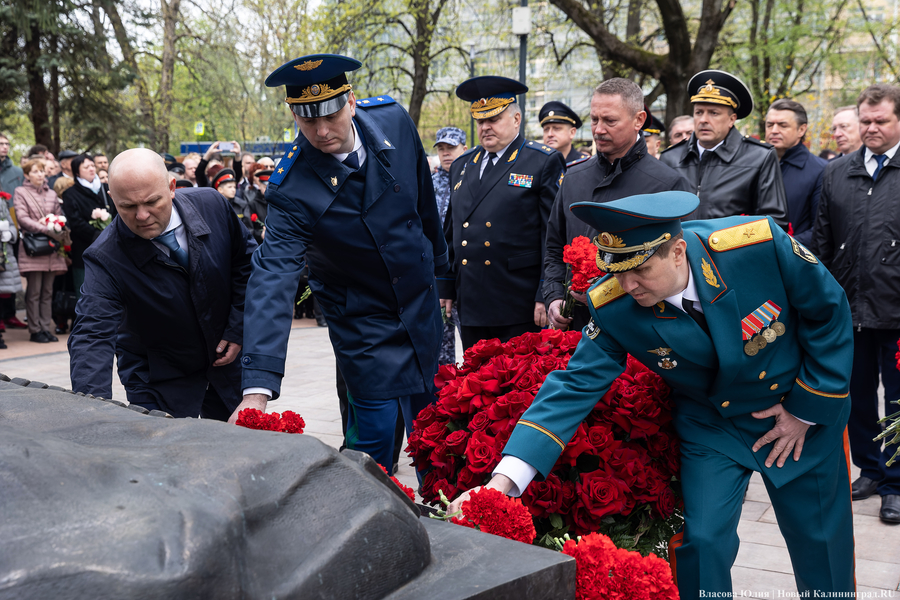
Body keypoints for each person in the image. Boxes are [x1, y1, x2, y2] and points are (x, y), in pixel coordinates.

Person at [452, 191, 855, 597]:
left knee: (821, 544)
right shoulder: (613, 303)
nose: (628, 286)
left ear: (677, 252)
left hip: (796, 407)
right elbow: (575, 384)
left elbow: (829, 310)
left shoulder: (755, 245)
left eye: (641, 270)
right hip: (713, 423)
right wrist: (503, 482)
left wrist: (805, 409)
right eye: (617, 272)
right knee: (703, 545)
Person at [233, 54, 448, 475]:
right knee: (372, 442)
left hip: (418, 303)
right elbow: (273, 276)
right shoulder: (291, 187)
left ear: (350, 101)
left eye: (330, 116)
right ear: (293, 115)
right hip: (362, 321)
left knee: (435, 432)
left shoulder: (393, 121)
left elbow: (424, 204)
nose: (322, 131)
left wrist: (443, 274)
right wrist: (257, 389)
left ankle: (442, 509)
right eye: (308, 120)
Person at [69, 149, 256, 418]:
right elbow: (92, 334)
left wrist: (238, 327)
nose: (142, 215)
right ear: (112, 198)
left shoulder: (212, 206)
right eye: (127, 207)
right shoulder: (105, 257)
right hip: (157, 378)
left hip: (226, 361)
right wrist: (92, 413)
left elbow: (246, 265)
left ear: (171, 187)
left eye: (151, 202)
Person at [812, 84, 900, 524]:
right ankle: (869, 469)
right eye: (866, 120)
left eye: (881, 120)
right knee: (858, 398)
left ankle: (896, 483)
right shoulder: (836, 173)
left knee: (898, 403)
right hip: (849, 310)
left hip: (896, 313)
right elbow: (822, 244)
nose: (871, 128)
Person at [545, 78, 691, 333]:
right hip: (576, 324)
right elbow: (554, 246)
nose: (598, 129)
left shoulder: (668, 183)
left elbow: (677, 265)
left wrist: (605, 293)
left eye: (610, 121)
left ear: (639, 120)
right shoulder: (573, 177)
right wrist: (554, 295)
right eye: (594, 119)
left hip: (638, 326)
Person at [439, 76, 565, 350]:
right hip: (471, 297)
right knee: (475, 373)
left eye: (493, 119)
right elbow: (451, 231)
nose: (485, 127)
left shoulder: (541, 161)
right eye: (480, 121)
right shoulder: (462, 165)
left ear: (516, 119)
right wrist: (446, 284)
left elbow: (553, 235)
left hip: (518, 300)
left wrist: (546, 291)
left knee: (517, 374)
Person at [659, 70, 788, 227]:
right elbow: (658, 213)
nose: (703, 120)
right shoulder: (671, 157)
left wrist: (721, 239)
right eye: (699, 112)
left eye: (714, 113)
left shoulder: (759, 157)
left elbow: (774, 221)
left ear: (731, 119)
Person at [13, 158, 68, 343]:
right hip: (34, 247)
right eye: (35, 171)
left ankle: (45, 328)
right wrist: (45, 228)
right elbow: (22, 218)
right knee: (34, 291)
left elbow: (59, 214)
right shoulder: (20, 192)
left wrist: (55, 223)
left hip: (51, 248)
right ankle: (35, 329)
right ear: (27, 174)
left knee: (47, 291)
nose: (39, 174)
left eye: (42, 171)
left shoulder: (51, 193)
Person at [764, 99, 827, 246]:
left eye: (783, 125)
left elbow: (820, 230)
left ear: (801, 130)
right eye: (770, 125)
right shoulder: (752, 165)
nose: (774, 130)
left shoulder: (821, 171)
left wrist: (780, 246)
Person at [431, 126, 467, 365]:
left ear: (464, 148)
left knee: (472, 344)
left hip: (463, 274)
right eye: (441, 148)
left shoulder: (472, 181)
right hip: (435, 275)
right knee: (440, 346)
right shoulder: (429, 183)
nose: (446, 153)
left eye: (451, 148)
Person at [61, 154, 116, 299]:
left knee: (109, 291)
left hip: (111, 248)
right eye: (86, 167)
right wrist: (97, 235)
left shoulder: (106, 189)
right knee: (85, 292)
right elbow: (75, 221)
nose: (91, 169)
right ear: (77, 172)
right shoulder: (70, 194)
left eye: (92, 165)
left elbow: (117, 212)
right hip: (84, 248)